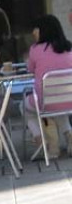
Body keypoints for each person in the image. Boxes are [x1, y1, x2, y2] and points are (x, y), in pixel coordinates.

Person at [24, 14, 72, 157]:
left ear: (42, 30)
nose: (33, 32)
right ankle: (69, 135)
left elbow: (30, 70)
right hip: (69, 100)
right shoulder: (69, 47)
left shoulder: (35, 49)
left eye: (36, 29)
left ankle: (42, 141)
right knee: (57, 107)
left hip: (45, 102)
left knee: (25, 107)